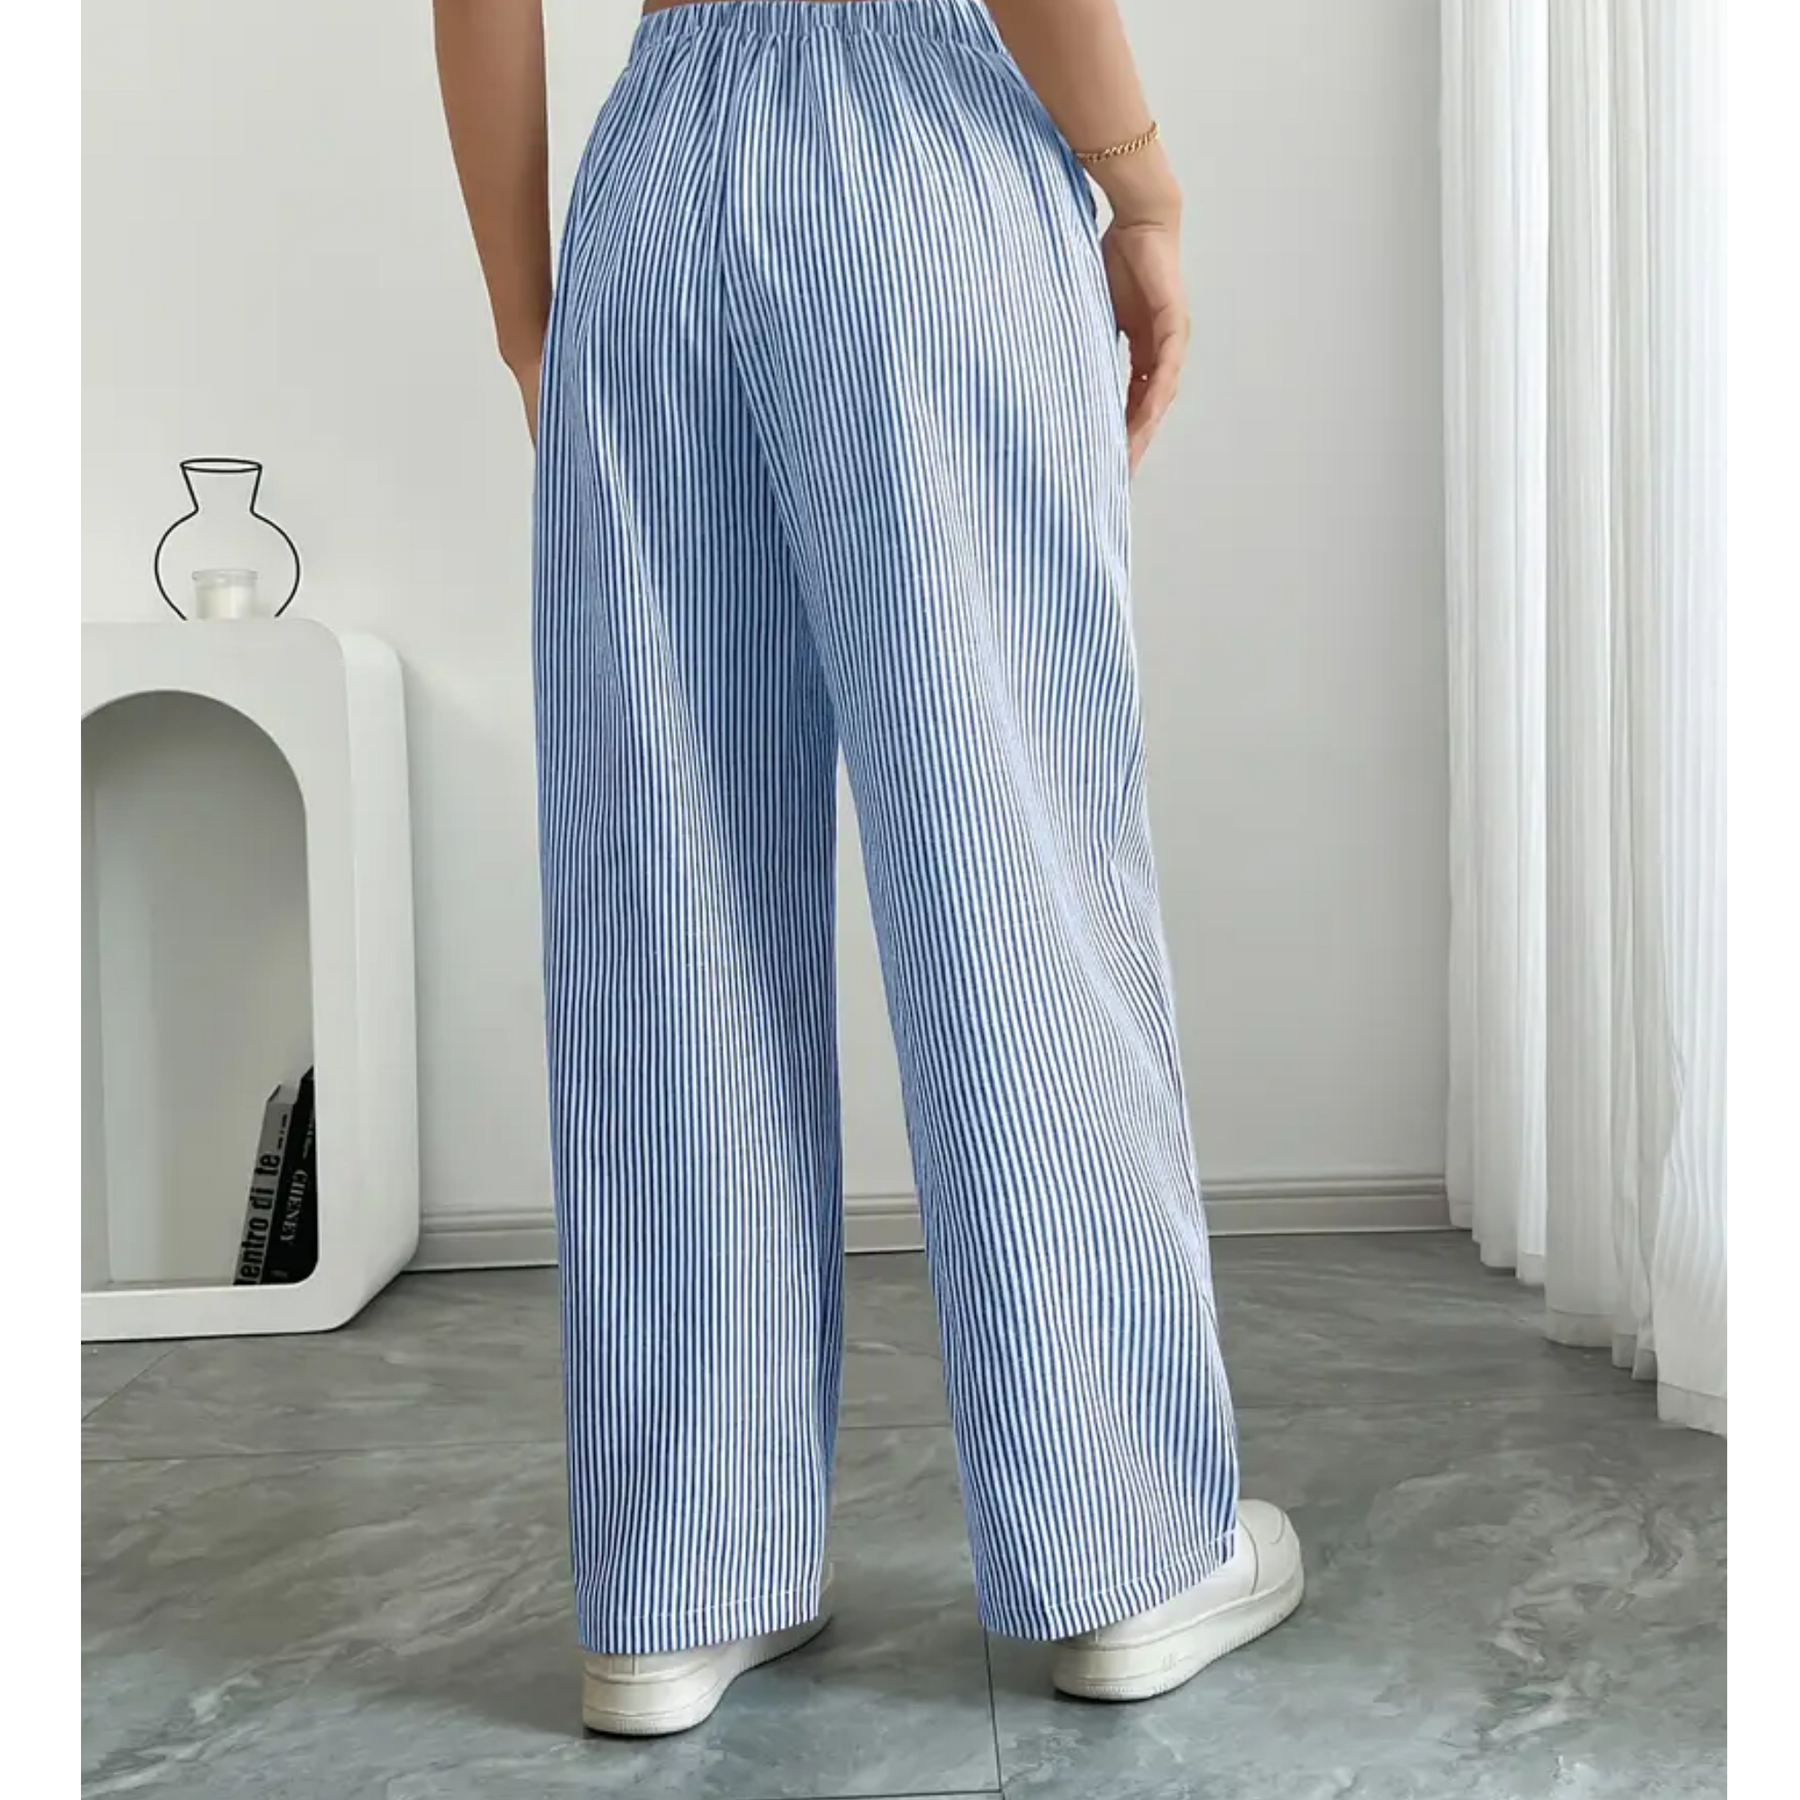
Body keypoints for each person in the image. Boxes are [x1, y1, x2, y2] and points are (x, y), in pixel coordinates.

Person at [434, 0, 1302, 1738]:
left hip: (654, 185)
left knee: (662, 888)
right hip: (923, 153)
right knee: (1010, 856)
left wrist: (531, 306)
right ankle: (1126, 1554)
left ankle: (680, 1581)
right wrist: (1143, 193)